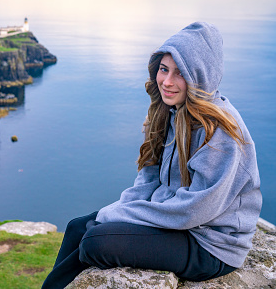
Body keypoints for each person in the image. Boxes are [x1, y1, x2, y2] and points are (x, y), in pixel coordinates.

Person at [42, 22, 262, 289]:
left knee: (94, 242)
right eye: (163, 69)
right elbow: (148, 178)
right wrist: (119, 210)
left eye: (180, 73)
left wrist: (121, 215)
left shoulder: (220, 132)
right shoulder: (168, 112)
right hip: (179, 222)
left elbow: (194, 210)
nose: (167, 82)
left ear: (200, 76)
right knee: (78, 227)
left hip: (211, 245)